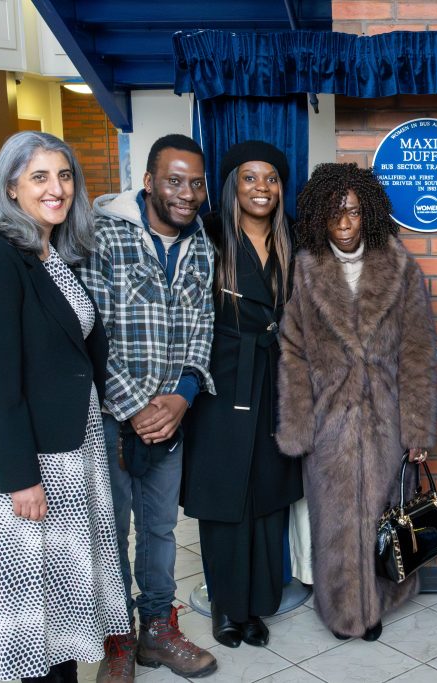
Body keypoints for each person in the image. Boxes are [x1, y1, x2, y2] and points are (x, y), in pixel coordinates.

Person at [0, 131, 128, 683]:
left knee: (59, 602)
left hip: (72, 451)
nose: (56, 188)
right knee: (28, 614)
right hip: (29, 463)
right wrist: (20, 480)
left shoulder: (50, 252)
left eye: (64, 176)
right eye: (39, 177)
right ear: (10, 187)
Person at [276, 162, 437, 641]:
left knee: (381, 514)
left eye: (352, 211)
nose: (344, 223)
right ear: (318, 218)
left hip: (386, 418)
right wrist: (299, 423)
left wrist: (417, 428)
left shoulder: (401, 268)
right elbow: (292, 351)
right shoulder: (305, 270)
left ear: (367, 212)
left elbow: (417, 352)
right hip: (328, 422)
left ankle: (378, 601)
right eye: (334, 213)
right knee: (335, 519)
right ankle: (344, 611)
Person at [80, 134, 217, 681]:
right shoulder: (103, 236)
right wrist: (136, 408)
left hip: (170, 420)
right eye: (174, 181)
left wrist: (183, 397)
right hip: (110, 420)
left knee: (161, 530)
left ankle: (157, 630)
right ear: (149, 182)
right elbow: (91, 331)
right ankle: (117, 639)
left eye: (196, 183)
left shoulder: (201, 243)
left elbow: (203, 326)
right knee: (111, 531)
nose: (187, 193)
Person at [182, 141, 303, 648]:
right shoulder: (207, 236)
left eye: (271, 178)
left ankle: (258, 604)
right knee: (225, 495)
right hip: (222, 379)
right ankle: (227, 607)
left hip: (277, 379)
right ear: (233, 184)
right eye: (250, 178)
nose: (262, 188)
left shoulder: (293, 237)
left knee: (268, 495)